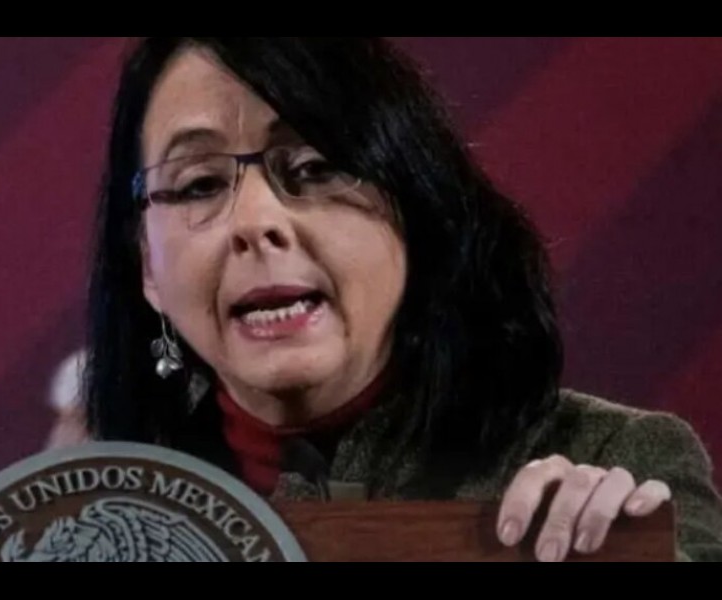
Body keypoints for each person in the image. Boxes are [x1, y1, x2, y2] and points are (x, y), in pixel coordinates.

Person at [57, 37, 722, 562]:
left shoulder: (614, 457)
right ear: (147, 264)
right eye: (199, 184)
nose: (254, 222)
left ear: (416, 213)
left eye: (314, 167)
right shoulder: (88, 519)